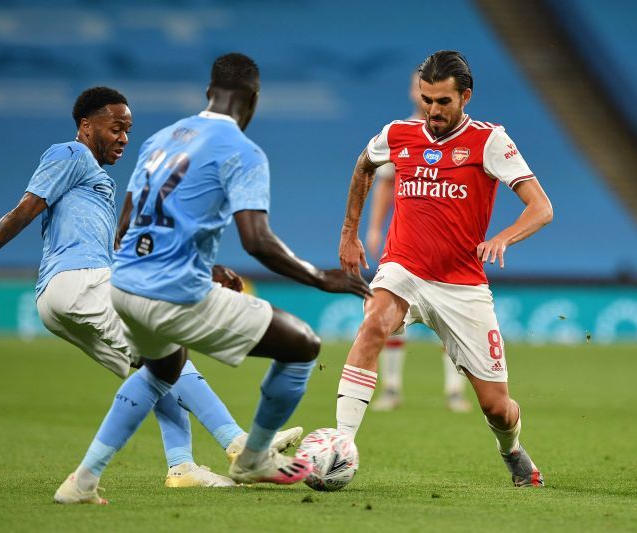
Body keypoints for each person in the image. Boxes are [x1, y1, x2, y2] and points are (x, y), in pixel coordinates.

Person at [0, 86, 301, 491]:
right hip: (79, 280)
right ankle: (239, 444)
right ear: (86, 125)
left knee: (156, 369)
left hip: (61, 296)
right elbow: (25, 209)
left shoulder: (95, 182)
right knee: (170, 351)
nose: (124, 139)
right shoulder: (69, 154)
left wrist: (203, 266)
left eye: (128, 131)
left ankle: (182, 468)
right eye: (116, 128)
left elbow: (122, 246)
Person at [54, 53, 371, 504]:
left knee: (162, 371)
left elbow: (126, 227)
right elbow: (256, 240)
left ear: (208, 93)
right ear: (253, 99)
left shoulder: (161, 140)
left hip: (123, 286)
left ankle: (82, 481)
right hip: (172, 292)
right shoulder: (242, 151)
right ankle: (253, 456)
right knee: (302, 346)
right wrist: (321, 277)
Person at [336, 51, 552, 487]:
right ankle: (340, 450)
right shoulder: (398, 134)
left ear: (465, 97)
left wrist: (503, 237)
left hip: (462, 285)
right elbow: (364, 165)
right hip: (404, 268)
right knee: (374, 324)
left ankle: (510, 449)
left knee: (497, 407)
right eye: (427, 99)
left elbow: (541, 207)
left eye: (443, 102)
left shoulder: (490, 141)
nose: (433, 111)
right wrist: (350, 232)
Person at [365, 71, 471, 413]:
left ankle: (455, 390)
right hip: (406, 244)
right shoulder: (400, 133)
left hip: (450, 247)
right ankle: (392, 389)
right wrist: (374, 228)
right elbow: (383, 183)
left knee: (453, 320)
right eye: (417, 87)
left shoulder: (467, 134)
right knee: (390, 316)